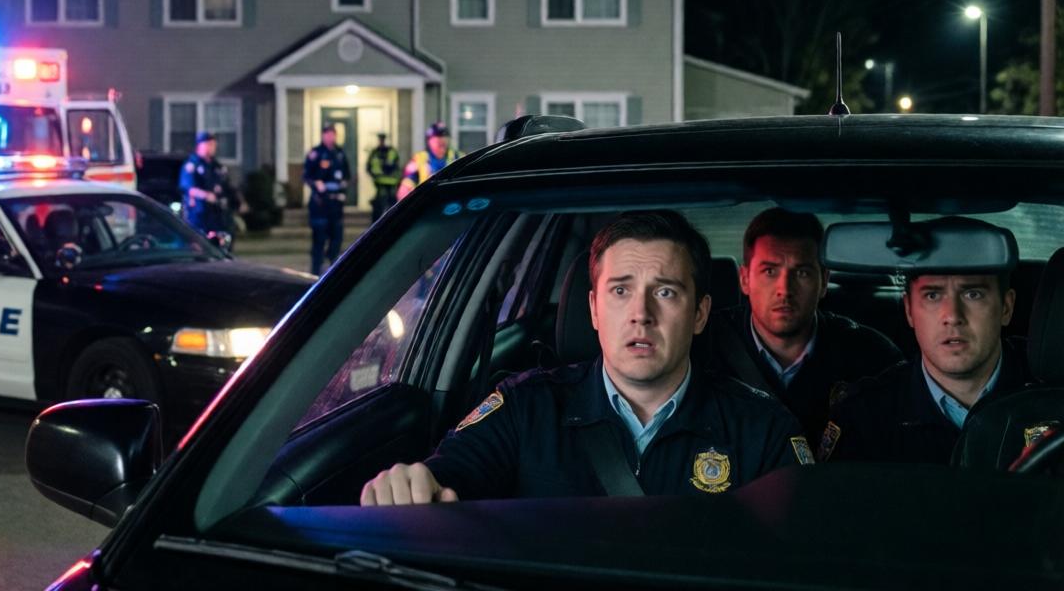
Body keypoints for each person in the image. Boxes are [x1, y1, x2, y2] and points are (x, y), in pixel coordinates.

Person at [361, 210, 810, 506]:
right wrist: (414, 488)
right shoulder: (525, 408)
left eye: (666, 292)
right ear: (594, 309)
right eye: (621, 291)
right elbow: (451, 475)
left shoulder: (763, 429)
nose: (641, 314)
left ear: (699, 313)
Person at [821, 220, 1035, 464]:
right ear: (909, 311)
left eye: (972, 294)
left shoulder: (1052, 395)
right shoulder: (865, 416)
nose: (953, 316)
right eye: (933, 295)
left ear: (1006, 308)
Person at [692, 208, 901, 444]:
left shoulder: (871, 358)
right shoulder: (700, 348)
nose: (785, 289)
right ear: (745, 279)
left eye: (801, 272)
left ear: (824, 281)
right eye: (769, 271)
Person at [178, 131, 246, 239]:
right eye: (209, 144)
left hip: (217, 214)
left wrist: (238, 202)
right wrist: (206, 195)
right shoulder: (192, 165)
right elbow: (188, 188)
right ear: (200, 145)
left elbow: (227, 186)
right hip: (199, 214)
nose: (212, 147)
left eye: (214, 145)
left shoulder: (216, 166)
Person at [303, 124, 351, 275]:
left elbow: (347, 175)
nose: (330, 137)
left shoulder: (340, 153)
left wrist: (344, 184)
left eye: (333, 134)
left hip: (336, 204)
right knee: (319, 240)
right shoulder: (315, 153)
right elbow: (306, 176)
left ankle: (332, 272)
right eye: (327, 134)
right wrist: (316, 183)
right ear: (323, 135)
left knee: (336, 238)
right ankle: (315, 273)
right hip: (320, 204)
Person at [397, 122, 461, 201]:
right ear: (429, 140)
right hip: (426, 204)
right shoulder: (419, 159)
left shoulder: (459, 157)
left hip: (452, 202)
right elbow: (407, 183)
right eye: (438, 137)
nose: (442, 140)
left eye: (445, 136)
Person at [366, 132, 401, 223]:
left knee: (389, 207)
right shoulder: (376, 152)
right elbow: (369, 167)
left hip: (389, 185)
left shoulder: (388, 152)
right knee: (380, 207)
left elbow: (395, 166)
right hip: (381, 184)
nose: (381, 141)